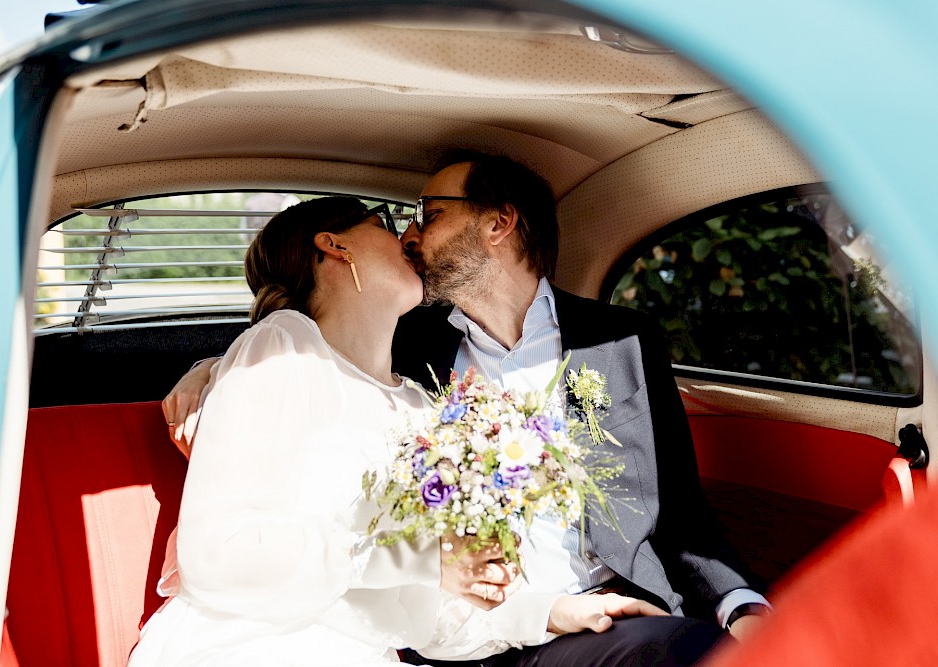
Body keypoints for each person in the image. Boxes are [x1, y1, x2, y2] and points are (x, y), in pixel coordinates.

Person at [164, 154, 770, 665]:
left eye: (428, 217)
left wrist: (741, 608)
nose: (409, 237)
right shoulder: (409, 348)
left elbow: (682, 515)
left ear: (500, 223)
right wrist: (209, 371)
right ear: (335, 247)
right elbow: (312, 352)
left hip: (574, 615)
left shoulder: (619, 341)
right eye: (398, 222)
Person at [128, 196, 522, 666]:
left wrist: (543, 611)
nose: (409, 239)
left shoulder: (419, 404)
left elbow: (431, 619)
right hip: (252, 647)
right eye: (388, 224)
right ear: (335, 245)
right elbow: (217, 552)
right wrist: (420, 556)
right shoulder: (281, 347)